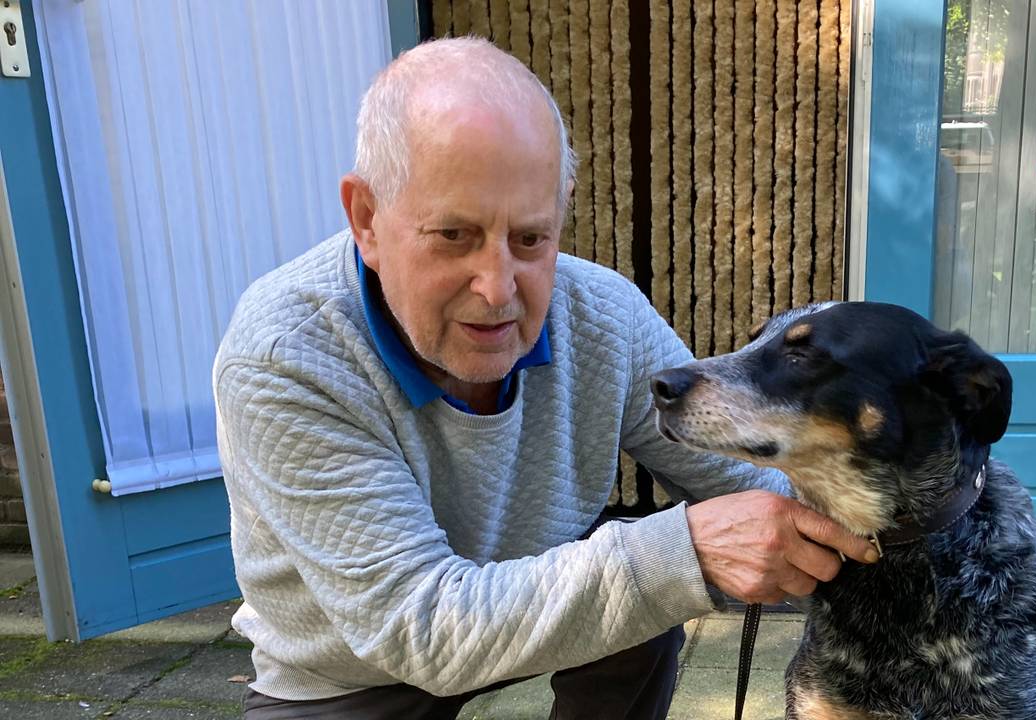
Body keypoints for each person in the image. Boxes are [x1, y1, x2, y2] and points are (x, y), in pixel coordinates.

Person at [213, 37, 876, 720]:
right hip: (352, 671)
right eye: (453, 236)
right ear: (366, 220)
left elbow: (763, 489)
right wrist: (687, 552)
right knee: (653, 564)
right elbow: (420, 630)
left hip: (529, 607)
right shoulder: (286, 354)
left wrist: (940, 512)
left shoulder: (602, 318)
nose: (499, 290)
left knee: (637, 601)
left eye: (531, 239)